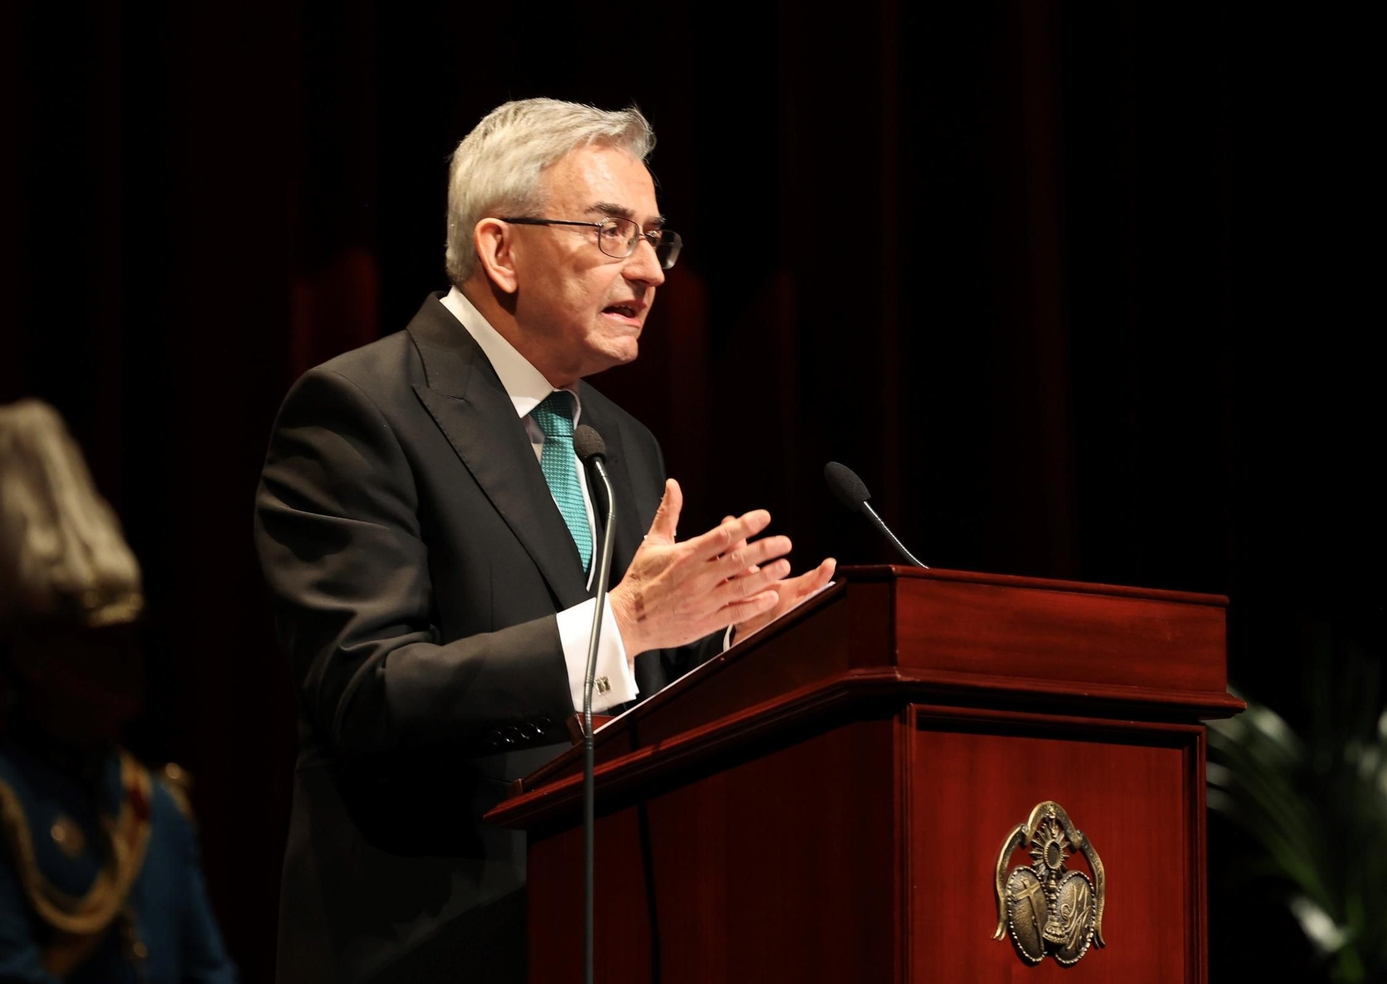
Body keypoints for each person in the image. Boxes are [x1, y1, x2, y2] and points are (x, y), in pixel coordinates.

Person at [254, 98, 834, 983]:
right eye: (611, 232)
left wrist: (729, 653)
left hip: (612, 932)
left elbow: (627, 690)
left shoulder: (622, 443)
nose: (649, 272)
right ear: (499, 249)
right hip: (431, 949)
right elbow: (368, 690)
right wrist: (628, 624)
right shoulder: (359, 411)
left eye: (654, 237)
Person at [0, 399, 237, 983]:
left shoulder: (155, 806)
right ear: (37, 658)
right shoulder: (8, 803)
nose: (129, 663)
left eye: (131, 640)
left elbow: (209, 970)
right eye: (100, 644)